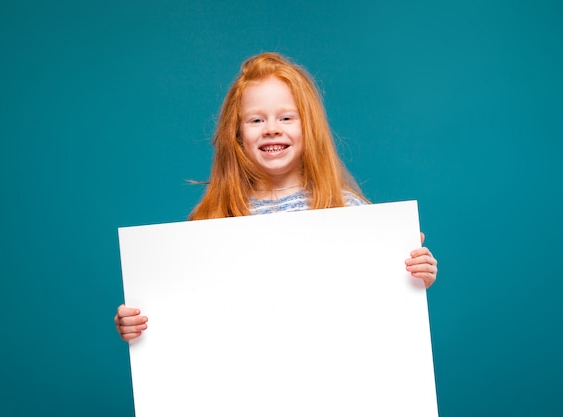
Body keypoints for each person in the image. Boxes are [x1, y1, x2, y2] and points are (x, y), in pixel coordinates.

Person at [114, 52, 438, 342]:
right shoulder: (212, 221)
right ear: (237, 135)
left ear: (308, 127)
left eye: (286, 117)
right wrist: (138, 322)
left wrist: (413, 276)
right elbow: (183, 312)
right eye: (256, 120)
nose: (271, 128)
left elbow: (377, 304)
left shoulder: (347, 210)